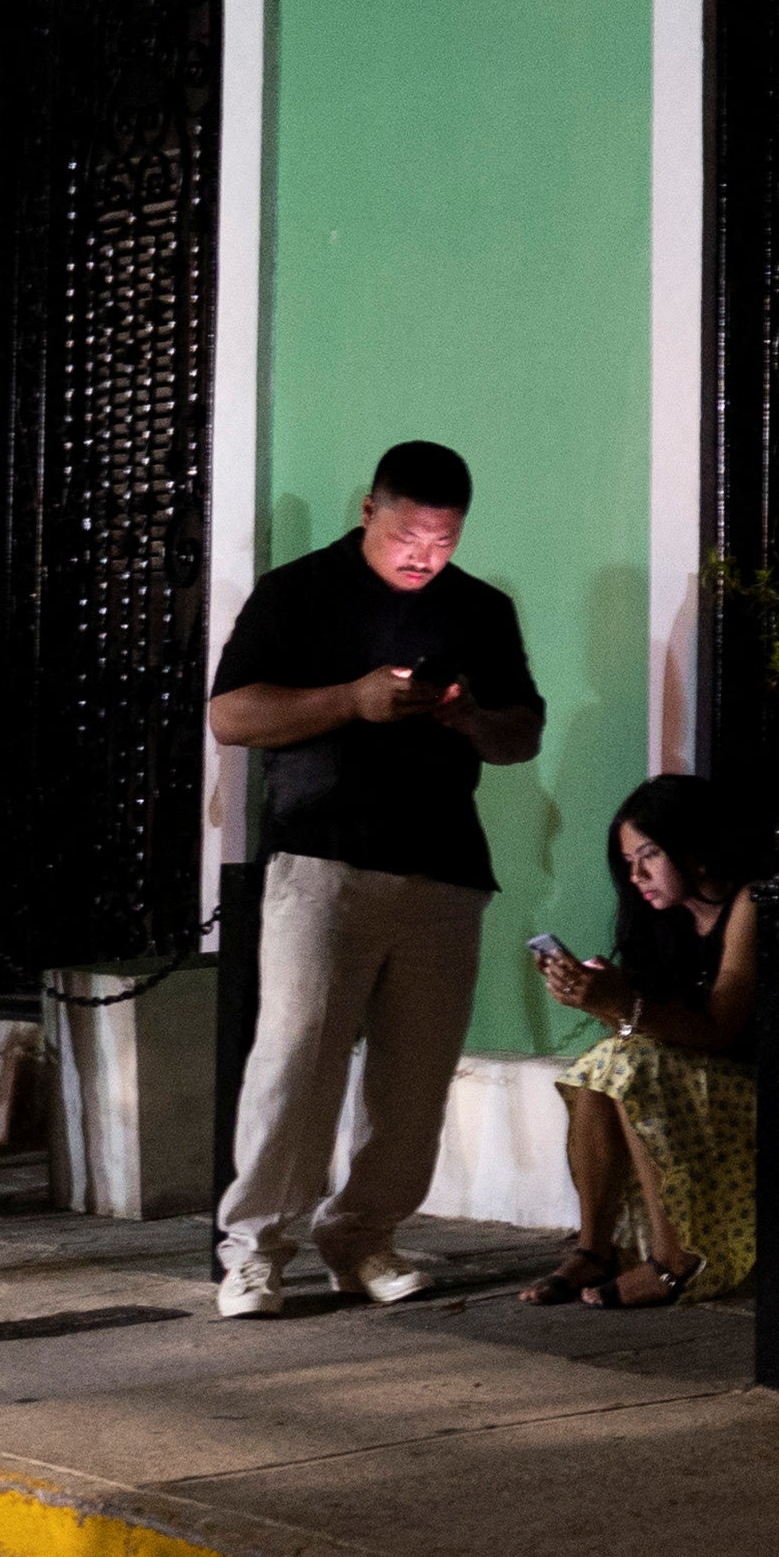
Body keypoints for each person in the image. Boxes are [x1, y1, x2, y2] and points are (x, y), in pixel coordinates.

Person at [205, 441, 542, 1320]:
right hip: (323, 860)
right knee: (296, 1064)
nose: (425, 555)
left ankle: (361, 1236)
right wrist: (349, 700)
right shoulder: (298, 594)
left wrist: (468, 715)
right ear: (368, 509)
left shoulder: (480, 611)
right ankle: (254, 1250)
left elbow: (521, 737)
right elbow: (231, 714)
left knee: (415, 1079)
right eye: (410, 533)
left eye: (445, 539)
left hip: (443, 869)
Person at [524, 775, 765, 1310]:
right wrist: (601, 1001)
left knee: (623, 1065)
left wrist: (622, 1005)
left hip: (767, 1086)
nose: (636, 875)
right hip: (706, 1084)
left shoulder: (750, 902)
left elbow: (720, 1030)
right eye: (629, 862)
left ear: (696, 850)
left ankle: (674, 1262)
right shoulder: (665, 921)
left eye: (650, 855)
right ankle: (594, 1249)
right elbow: (645, 1036)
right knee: (600, 1067)